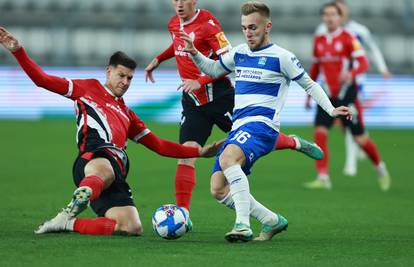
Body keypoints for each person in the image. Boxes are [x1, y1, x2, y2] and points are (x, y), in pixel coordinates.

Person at [0, 26, 221, 236]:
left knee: (130, 227)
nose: (125, 82)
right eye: (121, 75)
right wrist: (18, 51)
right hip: (93, 158)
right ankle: (73, 205)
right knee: (104, 169)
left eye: (130, 78)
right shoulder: (87, 88)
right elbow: (41, 80)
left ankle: (68, 222)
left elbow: (160, 146)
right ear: (109, 71)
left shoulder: (128, 114)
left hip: (116, 173)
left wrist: (199, 153)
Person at [180, 1, 351, 242]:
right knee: (218, 188)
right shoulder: (239, 53)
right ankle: (272, 220)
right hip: (240, 125)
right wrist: (195, 54)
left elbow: (309, 84)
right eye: (244, 28)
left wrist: (331, 109)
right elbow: (213, 69)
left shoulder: (282, 57)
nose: (248, 33)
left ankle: (242, 225)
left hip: (263, 125)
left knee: (229, 159)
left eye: (253, 28)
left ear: (267, 26)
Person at [144, 0, 323, 226]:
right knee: (187, 154)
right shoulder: (173, 24)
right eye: (175, 0)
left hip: (221, 97)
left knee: (254, 136)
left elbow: (226, 61)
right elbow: (178, 46)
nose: (179, 4)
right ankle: (183, 215)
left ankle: (294, 142)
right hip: (193, 101)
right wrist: (159, 59)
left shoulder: (209, 25)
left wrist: (200, 80)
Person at [303, 2, 391, 191]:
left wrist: (351, 74)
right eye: (326, 14)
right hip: (326, 96)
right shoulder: (318, 40)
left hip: (347, 95)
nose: (329, 18)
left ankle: (379, 166)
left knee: (359, 138)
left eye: (333, 14)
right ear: (323, 17)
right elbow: (316, 68)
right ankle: (323, 176)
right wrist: (309, 95)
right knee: (320, 133)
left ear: (340, 17)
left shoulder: (349, 38)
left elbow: (363, 63)